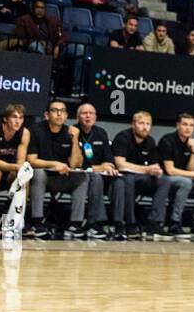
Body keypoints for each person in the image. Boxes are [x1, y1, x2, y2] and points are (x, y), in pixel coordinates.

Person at [26, 99, 99, 239]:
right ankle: (37, 221)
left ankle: (74, 224)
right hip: (42, 179)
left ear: (66, 116)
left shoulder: (70, 132)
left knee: (81, 176)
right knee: (38, 173)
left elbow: (75, 164)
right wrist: (53, 164)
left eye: (62, 111)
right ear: (47, 115)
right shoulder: (36, 130)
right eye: (55, 110)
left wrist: (75, 140)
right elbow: (31, 160)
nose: (59, 114)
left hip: (62, 178)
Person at [155, 113, 194, 240]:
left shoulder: (189, 143)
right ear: (178, 126)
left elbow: (191, 171)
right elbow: (170, 170)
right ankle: (174, 222)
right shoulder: (167, 140)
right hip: (165, 180)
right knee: (186, 182)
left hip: (183, 180)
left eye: (191, 125)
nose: (188, 128)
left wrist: (193, 151)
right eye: (184, 124)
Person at [112, 112, 172, 240]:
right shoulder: (123, 137)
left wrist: (157, 170)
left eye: (148, 124)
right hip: (123, 177)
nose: (145, 127)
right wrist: (147, 169)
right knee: (127, 179)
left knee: (164, 180)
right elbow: (120, 164)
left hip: (142, 179)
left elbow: (154, 165)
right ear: (133, 125)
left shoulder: (150, 141)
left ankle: (154, 223)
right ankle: (130, 223)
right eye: (141, 123)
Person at [75, 103, 122, 239]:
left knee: (119, 182)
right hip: (81, 175)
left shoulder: (101, 132)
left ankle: (118, 223)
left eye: (91, 113)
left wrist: (108, 166)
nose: (88, 116)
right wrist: (96, 167)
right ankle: (94, 222)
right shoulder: (73, 132)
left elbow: (109, 158)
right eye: (84, 113)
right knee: (96, 178)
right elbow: (76, 163)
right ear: (78, 117)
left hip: (100, 173)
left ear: (95, 117)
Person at [0, 103, 29, 215]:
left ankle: (17, 216)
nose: (18, 121)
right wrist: (15, 167)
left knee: (24, 176)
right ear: (5, 118)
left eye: (21, 118)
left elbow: (20, 160)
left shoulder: (24, 133)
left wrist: (19, 170)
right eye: (14, 117)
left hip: (9, 170)